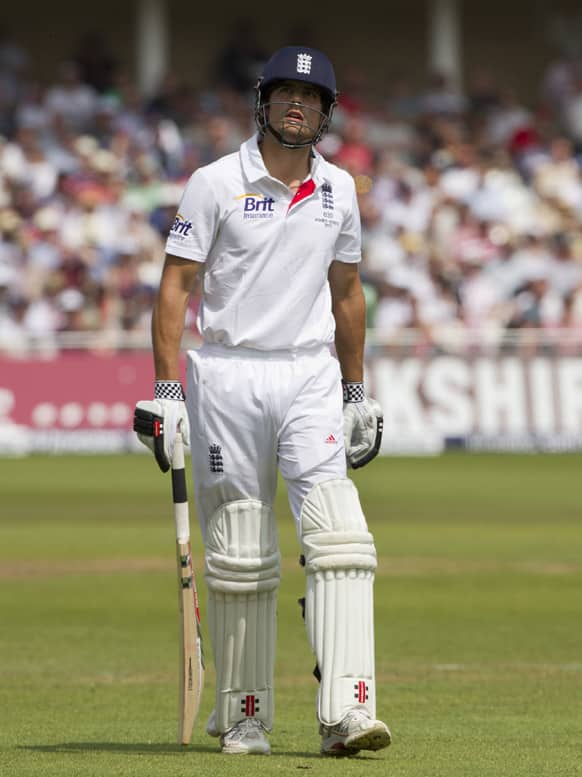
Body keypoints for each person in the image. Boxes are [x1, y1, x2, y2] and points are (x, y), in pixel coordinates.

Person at [133, 45, 390, 758]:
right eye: (283, 94)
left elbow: (346, 294)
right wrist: (165, 390)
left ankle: (349, 709)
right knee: (241, 545)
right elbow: (176, 285)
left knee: (339, 531)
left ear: (328, 114)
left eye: (310, 97)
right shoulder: (215, 183)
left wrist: (356, 390)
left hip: (308, 373)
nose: (296, 105)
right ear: (263, 104)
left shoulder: (340, 189)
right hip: (229, 371)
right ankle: (245, 715)